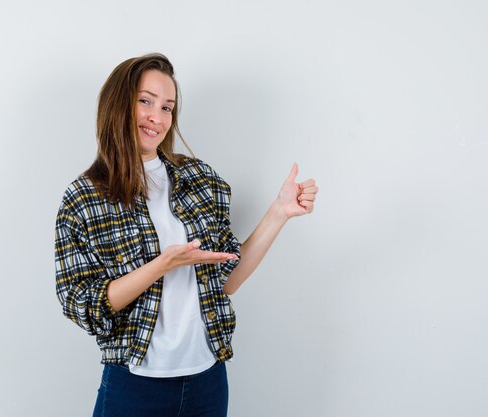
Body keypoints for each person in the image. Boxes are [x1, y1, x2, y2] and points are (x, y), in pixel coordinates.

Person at [54, 53, 318, 417]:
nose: (157, 118)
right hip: (134, 383)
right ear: (118, 103)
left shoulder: (199, 179)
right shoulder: (84, 198)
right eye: (145, 101)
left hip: (206, 380)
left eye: (167, 107)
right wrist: (161, 265)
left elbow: (226, 280)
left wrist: (279, 212)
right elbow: (84, 305)